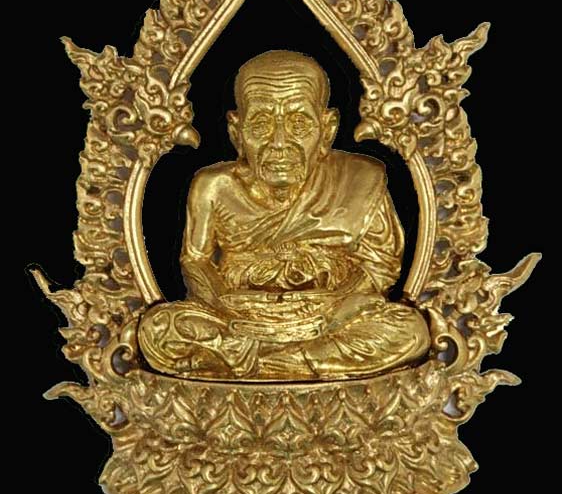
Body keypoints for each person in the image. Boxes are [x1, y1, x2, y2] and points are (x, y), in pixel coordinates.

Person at [139, 50, 430, 379]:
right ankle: (291, 361)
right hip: (238, 322)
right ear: (236, 132)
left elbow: (380, 265)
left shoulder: (361, 180)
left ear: (327, 129)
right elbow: (195, 261)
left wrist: (335, 309)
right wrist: (226, 307)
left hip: (329, 319)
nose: (279, 142)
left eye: (299, 123)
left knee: (411, 331)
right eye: (261, 124)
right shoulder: (214, 186)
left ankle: (268, 363)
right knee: (158, 328)